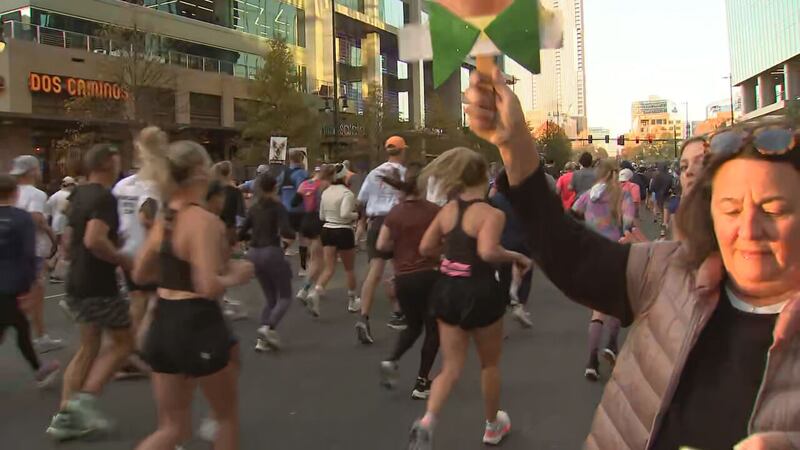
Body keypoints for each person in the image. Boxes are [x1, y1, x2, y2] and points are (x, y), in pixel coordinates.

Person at [465, 69, 800, 450]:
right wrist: (514, 144)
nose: (750, 228)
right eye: (732, 209)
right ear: (710, 214)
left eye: (773, 210)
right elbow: (568, 252)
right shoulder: (668, 271)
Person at [131, 126, 254, 450]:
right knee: (226, 418)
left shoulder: (166, 218)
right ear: (201, 172)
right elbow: (208, 285)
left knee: (172, 428)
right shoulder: (203, 221)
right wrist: (237, 275)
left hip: (162, 321)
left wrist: (172, 269)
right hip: (196, 323)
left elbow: (140, 272)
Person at [407, 147, 531, 449]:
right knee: (489, 364)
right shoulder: (491, 214)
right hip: (480, 291)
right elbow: (488, 251)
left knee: (450, 367)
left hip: (447, 289)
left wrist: (447, 260)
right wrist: (517, 257)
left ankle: (427, 422)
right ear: (485, 176)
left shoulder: (446, 211)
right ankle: (492, 426)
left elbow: (425, 248)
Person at [46, 144, 135, 441]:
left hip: (77, 280)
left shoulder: (78, 194)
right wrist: (122, 258)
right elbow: (95, 239)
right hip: (99, 283)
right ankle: (84, 403)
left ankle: (65, 415)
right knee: (124, 342)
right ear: (109, 163)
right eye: (118, 160)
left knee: (88, 346)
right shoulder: (103, 197)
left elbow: (70, 241)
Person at [375, 162, 441, 399]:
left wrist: (400, 251)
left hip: (403, 277)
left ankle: (392, 359)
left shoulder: (395, 213)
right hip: (430, 274)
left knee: (414, 326)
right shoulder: (434, 211)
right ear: (423, 186)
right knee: (434, 329)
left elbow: (381, 245)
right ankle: (422, 381)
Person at [571, 160, 636, 380]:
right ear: (615, 174)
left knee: (597, 309)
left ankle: (591, 361)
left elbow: (573, 212)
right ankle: (610, 344)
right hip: (614, 252)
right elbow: (628, 223)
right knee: (616, 301)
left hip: (591, 253)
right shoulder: (622, 195)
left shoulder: (589, 195)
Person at [0, 174, 61, 388]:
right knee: (18, 325)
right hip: (12, 281)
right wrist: (31, 282)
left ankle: (39, 369)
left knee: (17, 326)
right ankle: (39, 370)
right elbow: (28, 253)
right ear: (15, 193)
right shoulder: (21, 218)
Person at [355, 136, 408, 344]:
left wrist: (362, 222)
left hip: (376, 222)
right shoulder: (404, 174)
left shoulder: (374, 173)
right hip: (397, 220)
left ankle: (363, 316)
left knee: (375, 272)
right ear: (402, 151)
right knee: (399, 269)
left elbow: (361, 200)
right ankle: (399, 312)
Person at [10, 155, 63, 352]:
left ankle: (39, 334)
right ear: (33, 171)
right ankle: (40, 337)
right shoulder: (36, 194)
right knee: (35, 294)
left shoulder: (11, 191)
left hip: (12, 249)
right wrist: (51, 236)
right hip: (32, 249)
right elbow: (36, 218)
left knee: (20, 293)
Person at [112, 169, 160, 378]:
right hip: (145, 252)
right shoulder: (153, 187)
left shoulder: (122, 185)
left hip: (126, 248)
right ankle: (133, 350)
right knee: (154, 301)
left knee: (138, 301)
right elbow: (147, 217)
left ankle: (129, 350)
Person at [239, 173, 295, 351]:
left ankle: (261, 341)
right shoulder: (278, 207)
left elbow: (241, 233)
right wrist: (286, 242)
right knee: (285, 296)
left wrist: (252, 235)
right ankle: (267, 327)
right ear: (275, 187)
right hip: (271, 250)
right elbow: (288, 231)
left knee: (270, 298)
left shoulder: (254, 208)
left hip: (254, 253)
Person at [309, 164, 359, 317]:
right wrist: (356, 216)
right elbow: (345, 214)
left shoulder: (325, 192)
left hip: (327, 229)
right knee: (349, 268)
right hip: (343, 230)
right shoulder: (347, 194)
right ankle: (352, 300)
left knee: (329, 267)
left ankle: (316, 291)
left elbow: (322, 216)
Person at [490, 172, 534, 328]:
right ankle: (520, 304)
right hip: (523, 241)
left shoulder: (494, 201)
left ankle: (502, 311)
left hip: (503, 242)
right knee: (526, 273)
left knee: (504, 275)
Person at [213, 161, 247, 320]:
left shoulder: (213, 190)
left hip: (213, 226)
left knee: (216, 262)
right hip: (229, 228)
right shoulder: (234, 191)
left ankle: (220, 297)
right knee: (224, 264)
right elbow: (241, 212)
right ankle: (221, 297)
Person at [294, 166, 329, 303]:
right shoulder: (324, 185)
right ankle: (305, 289)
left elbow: (294, 201)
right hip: (318, 220)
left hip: (306, 219)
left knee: (313, 258)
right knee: (318, 260)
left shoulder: (304, 184)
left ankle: (313, 286)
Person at [277, 150, 309, 263]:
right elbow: (304, 190)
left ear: (289, 159)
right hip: (301, 209)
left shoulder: (283, 173)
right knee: (303, 239)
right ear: (301, 159)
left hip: (286, 210)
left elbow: (277, 189)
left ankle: (275, 257)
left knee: (288, 238)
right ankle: (303, 267)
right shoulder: (302, 174)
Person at [45, 176, 76, 283]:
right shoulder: (69, 196)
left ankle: (51, 263)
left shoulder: (54, 196)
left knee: (58, 246)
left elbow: (47, 210)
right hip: (64, 223)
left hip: (55, 223)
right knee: (64, 247)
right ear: (71, 185)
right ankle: (56, 271)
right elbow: (66, 210)